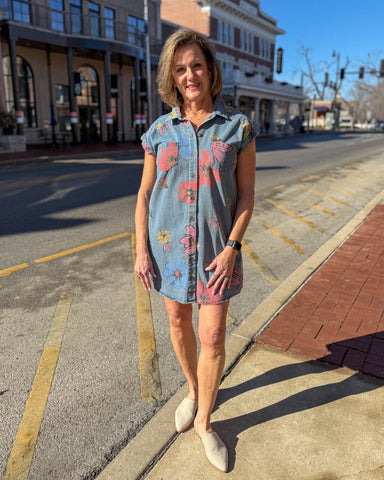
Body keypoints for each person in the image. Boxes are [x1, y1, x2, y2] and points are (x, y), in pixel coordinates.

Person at [134, 28, 256, 472]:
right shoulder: (159, 131)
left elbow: (245, 197)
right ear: (172, 75)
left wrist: (233, 248)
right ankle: (192, 389)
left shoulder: (237, 128)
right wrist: (141, 250)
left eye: (197, 65)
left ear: (210, 70)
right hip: (167, 249)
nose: (190, 75)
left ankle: (205, 422)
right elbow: (145, 195)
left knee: (213, 336)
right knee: (176, 322)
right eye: (181, 68)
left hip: (215, 253)